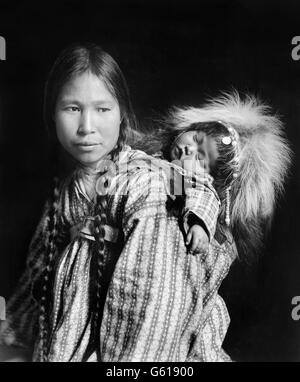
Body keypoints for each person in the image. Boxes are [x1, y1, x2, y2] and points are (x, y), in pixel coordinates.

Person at [0, 42, 232, 362]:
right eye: (72, 108)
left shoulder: (152, 180)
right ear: (51, 114)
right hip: (69, 338)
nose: (86, 127)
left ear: (122, 114)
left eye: (102, 109)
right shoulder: (64, 194)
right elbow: (38, 274)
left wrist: (197, 220)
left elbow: (155, 298)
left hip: (137, 348)